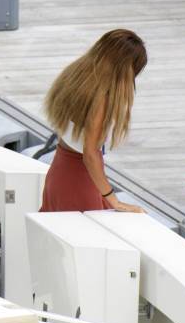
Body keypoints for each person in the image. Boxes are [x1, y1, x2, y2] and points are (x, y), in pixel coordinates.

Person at [40, 29, 147, 213]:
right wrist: (113, 199)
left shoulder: (76, 76)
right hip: (79, 181)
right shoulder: (102, 98)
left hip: (59, 171)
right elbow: (90, 154)